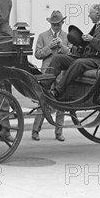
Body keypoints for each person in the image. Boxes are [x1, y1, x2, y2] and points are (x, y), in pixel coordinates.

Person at [49, 4, 100, 99]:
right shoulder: (97, 26)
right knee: (58, 58)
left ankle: (57, 91)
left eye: (91, 13)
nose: (89, 15)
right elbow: (87, 44)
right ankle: (43, 87)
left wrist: (92, 39)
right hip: (88, 58)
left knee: (79, 63)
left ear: (98, 14)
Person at [32, 10, 69, 142]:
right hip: (47, 74)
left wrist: (61, 46)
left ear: (62, 23)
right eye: (54, 24)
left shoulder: (67, 36)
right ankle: (35, 131)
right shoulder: (43, 36)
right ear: (50, 24)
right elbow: (37, 54)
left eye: (58, 24)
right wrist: (49, 46)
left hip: (61, 75)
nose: (56, 27)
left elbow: (71, 53)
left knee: (61, 104)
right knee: (42, 101)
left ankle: (59, 132)